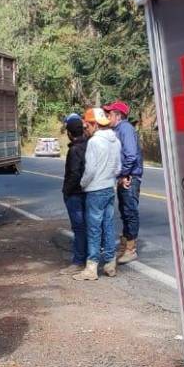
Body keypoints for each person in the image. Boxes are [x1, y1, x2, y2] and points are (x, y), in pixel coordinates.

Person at [74, 107, 121, 281]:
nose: (86, 129)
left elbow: (90, 170)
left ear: (94, 124)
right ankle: (110, 263)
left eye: (87, 125)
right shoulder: (115, 141)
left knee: (94, 228)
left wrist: (82, 184)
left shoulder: (94, 142)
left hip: (95, 189)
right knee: (108, 225)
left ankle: (91, 267)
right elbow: (118, 168)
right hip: (110, 187)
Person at [105, 101, 143, 264]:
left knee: (130, 211)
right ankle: (125, 244)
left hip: (130, 177)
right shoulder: (118, 129)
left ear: (118, 115)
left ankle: (130, 249)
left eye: (110, 114)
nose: (107, 117)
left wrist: (125, 174)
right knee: (125, 211)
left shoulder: (125, 128)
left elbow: (131, 155)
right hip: (124, 176)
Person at [60, 115, 88, 275]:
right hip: (87, 191)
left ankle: (78, 260)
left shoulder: (75, 150)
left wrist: (67, 191)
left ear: (69, 133)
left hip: (76, 194)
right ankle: (90, 257)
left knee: (79, 228)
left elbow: (75, 173)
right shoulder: (88, 145)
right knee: (88, 226)